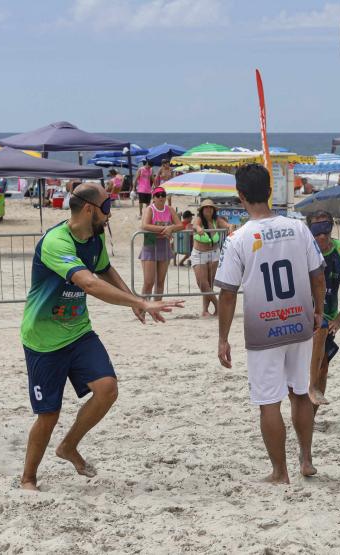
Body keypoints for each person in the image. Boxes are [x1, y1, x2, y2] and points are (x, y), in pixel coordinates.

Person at [19, 182, 182, 490]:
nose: (110, 213)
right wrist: (142, 302)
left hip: (78, 331)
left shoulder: (95, 238)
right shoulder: (56, 241)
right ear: (89, 209)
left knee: (107, 389)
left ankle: (68, 447)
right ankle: (28, 478)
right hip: (43, 339)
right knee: (49, 415)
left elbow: (105, 270)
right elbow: (90, 284)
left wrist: (135, 300)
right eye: (107, 207)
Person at [215, 163, 326, 484]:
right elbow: (318, 276)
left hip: (263, 328)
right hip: (299, 321)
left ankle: (280, 472)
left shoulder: (237, 238)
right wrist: (318, 311)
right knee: (300, 393)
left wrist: (223, 338)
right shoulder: (298, 228)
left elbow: (227, 294)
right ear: (269, 191)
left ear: (240, 196)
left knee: (268, 402)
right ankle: (306, 459)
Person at [303, 210, 340, 413]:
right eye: (317, 230)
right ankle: (309, 393)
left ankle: (311, 417)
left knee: (323, 366)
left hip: (327, 314)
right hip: (302, 314)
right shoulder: (303, 250)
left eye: (326, 229)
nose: (322, 235)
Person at [139, 186, 183, 300]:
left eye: (163, 195)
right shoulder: (150, 209)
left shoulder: (170, 209)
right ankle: (143, 306)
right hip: (150, 243)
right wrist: (165, 229)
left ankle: (157, 306)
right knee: (149, 282)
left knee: (160, 281)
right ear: (153, 198)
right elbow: (145, 225)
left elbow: (180, 225)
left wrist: (171, 228)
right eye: (158, 195)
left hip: (164, 245)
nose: (160, 197)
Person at [191, 199, 224, 317]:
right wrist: (198, 228)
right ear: (202, 210)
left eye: (211, 207)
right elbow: (195, 225)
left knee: (209, 284)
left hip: (214, 254)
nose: (208, 209)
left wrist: (231, 226)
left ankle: (205, 310)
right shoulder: (199, 219)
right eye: (206, 207)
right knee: (202, 283)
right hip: (199, 254)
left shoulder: (217, 220)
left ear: (214, 210)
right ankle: (218, 306)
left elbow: (226, 225)